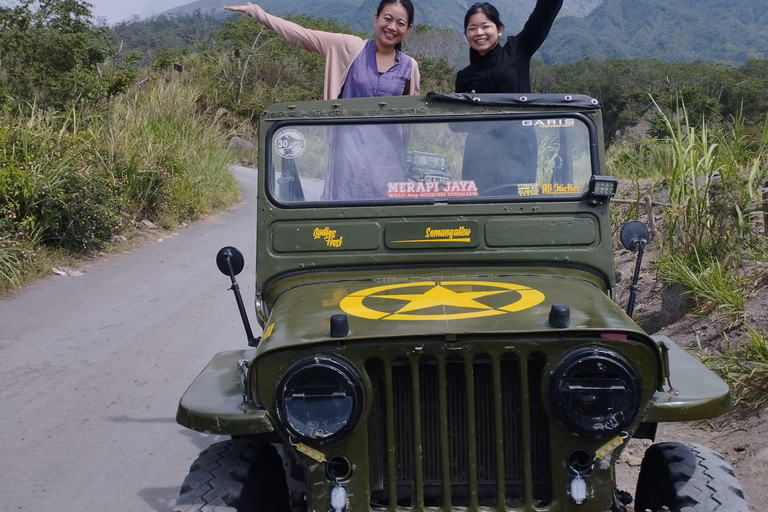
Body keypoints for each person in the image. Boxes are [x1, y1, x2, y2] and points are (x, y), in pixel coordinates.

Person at [225, 1, 421, 200]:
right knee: (343, 218)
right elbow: (302, 35)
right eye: (387, 18)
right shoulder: (351, 48)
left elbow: (411, 116)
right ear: (376, 18)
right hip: (348, 157)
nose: (392, 27)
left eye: (400, 23)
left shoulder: (409, 67)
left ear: (408, 29)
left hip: (387, 163)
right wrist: (258, 13)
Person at [455, 1, 562, 195]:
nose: (479, 33)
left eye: (485, 26)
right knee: (477, 207)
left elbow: (543, 15)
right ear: (466, 35)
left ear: (499, 30)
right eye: (472, 28)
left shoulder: (517, 50)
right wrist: (467, 110)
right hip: (479, 156)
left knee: (516, 208)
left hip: (519, 151)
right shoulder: (464, 76)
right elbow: (455, 125)